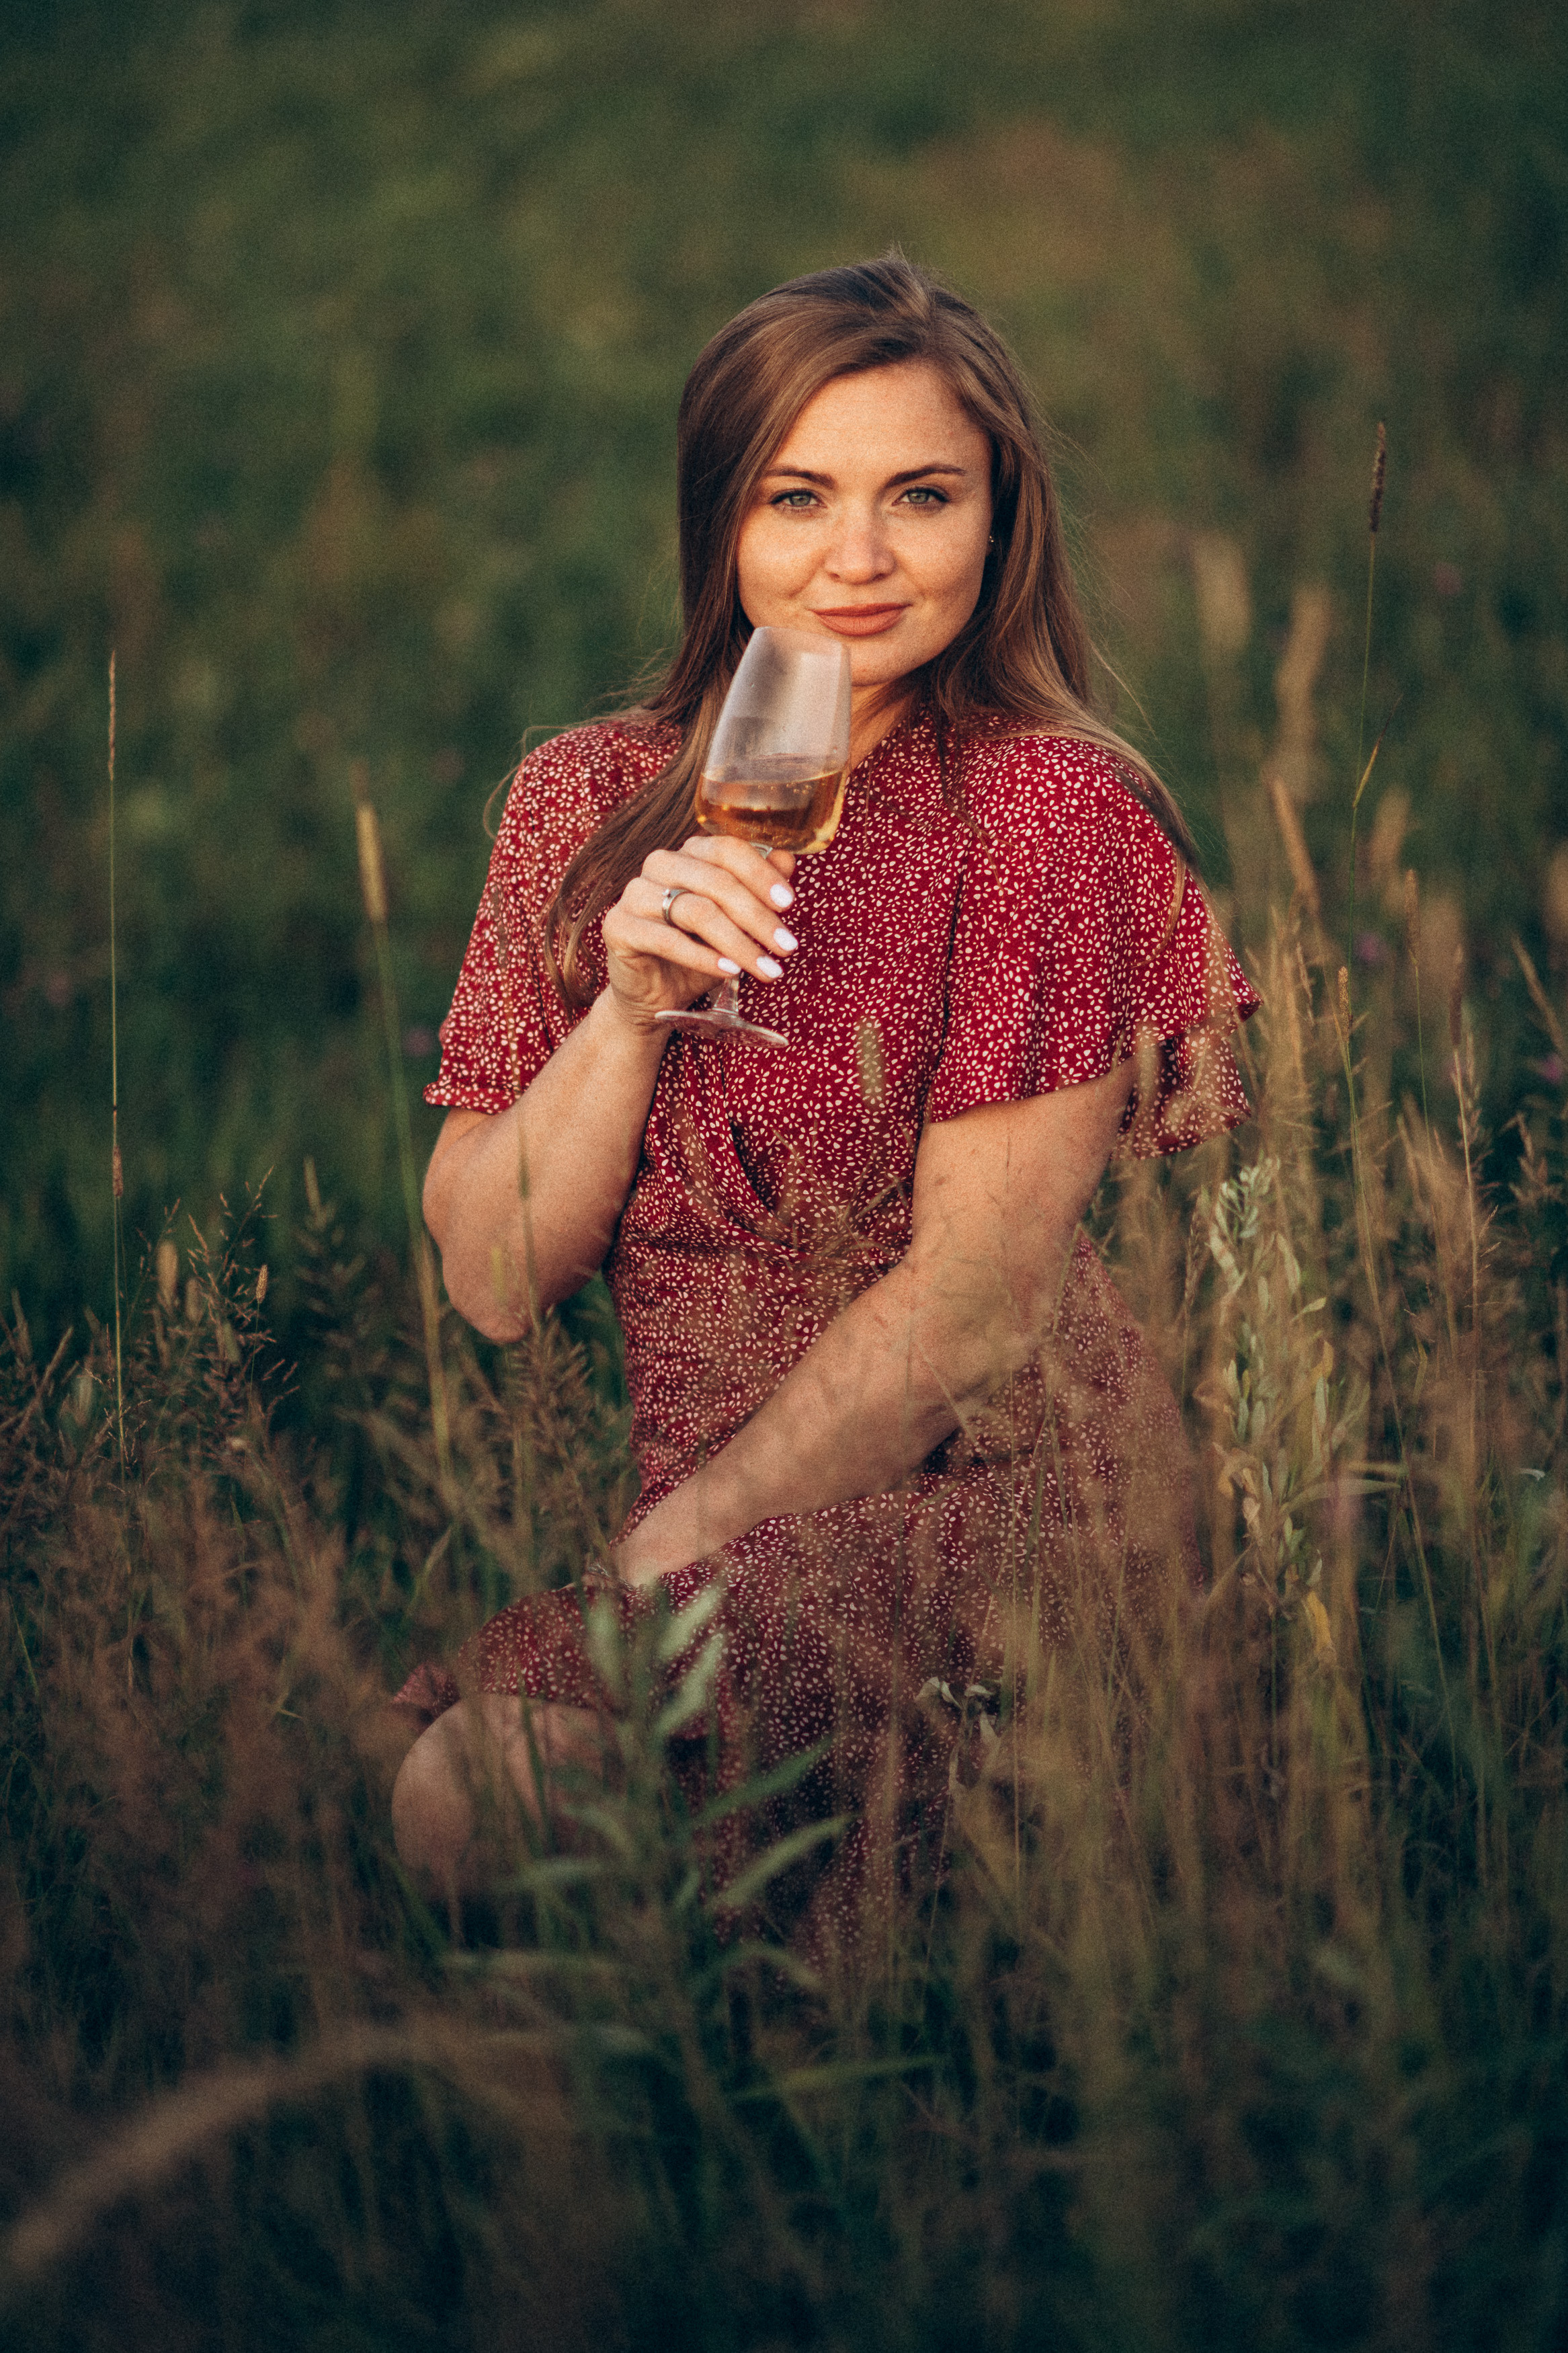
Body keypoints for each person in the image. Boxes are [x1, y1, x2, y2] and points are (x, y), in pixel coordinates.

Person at [390, 255, 1259, 1950]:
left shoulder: (1049, 814)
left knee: (462, 1790)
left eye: (921, 496)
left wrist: (659, 1564)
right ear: (725, 523)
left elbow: (973, 1314)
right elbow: (496, 1282)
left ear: (1001, 523)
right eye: (799, 497)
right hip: (726, 1512)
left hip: (997, 1495)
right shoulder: (581, 795)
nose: (857, 560)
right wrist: (629, 1013)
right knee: (481, 1789)